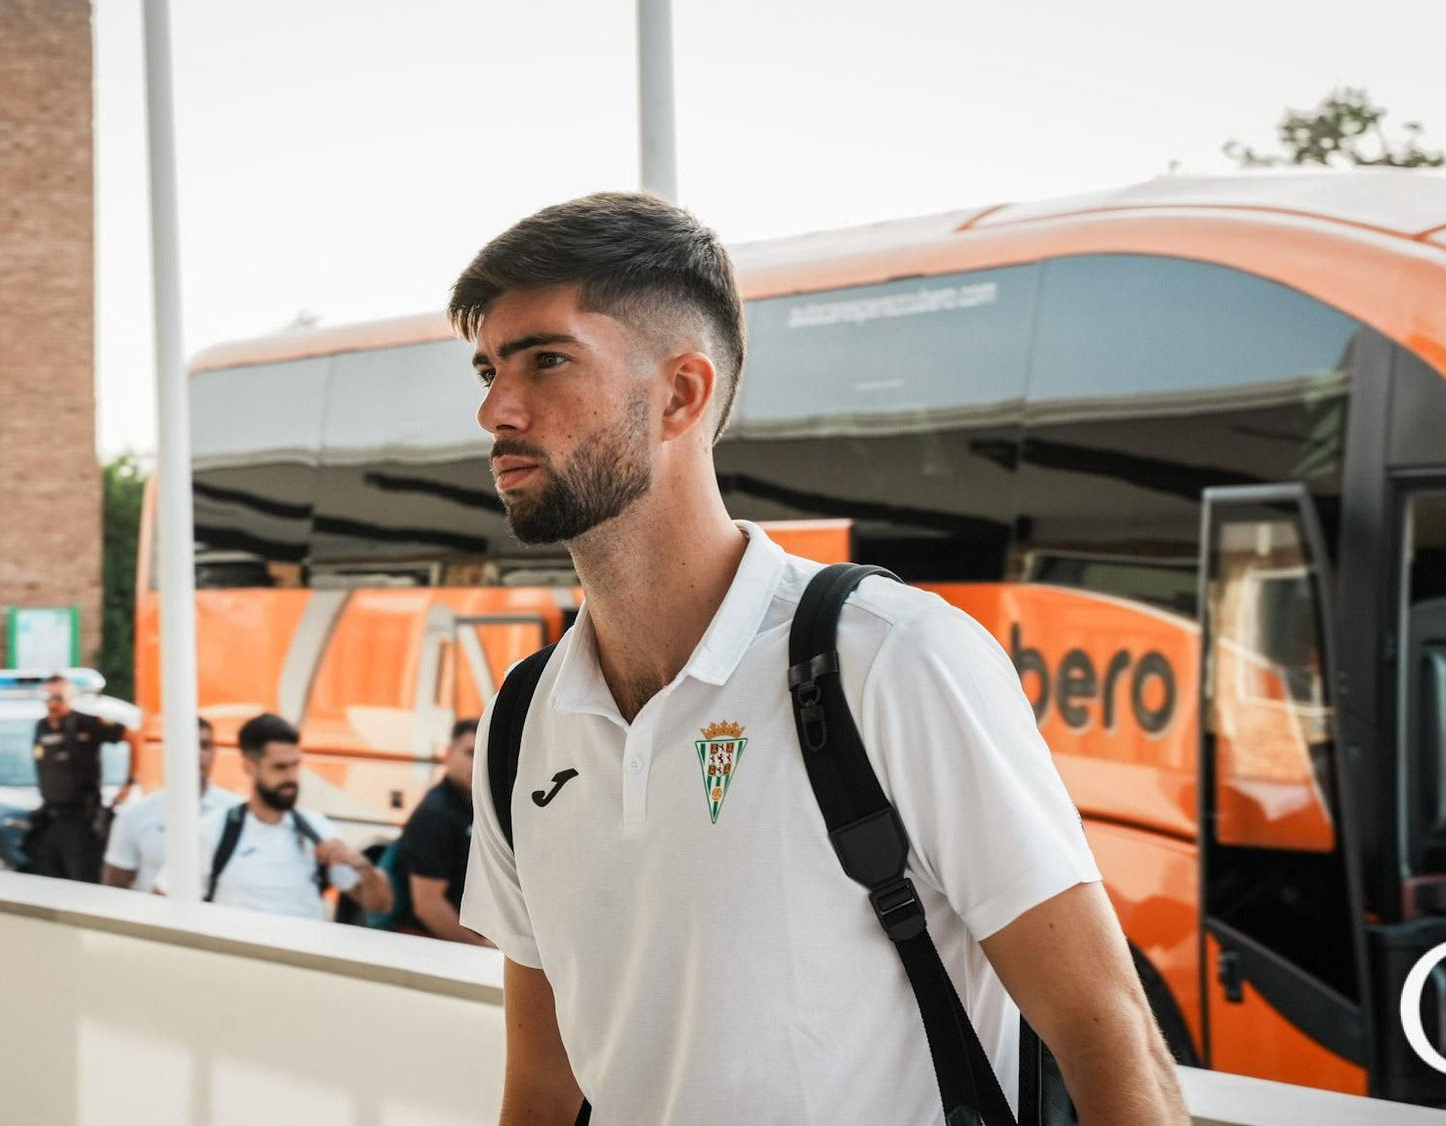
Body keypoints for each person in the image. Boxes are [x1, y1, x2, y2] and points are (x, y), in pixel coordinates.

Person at [452, 193, 1189, 1125]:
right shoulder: (524, 719)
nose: (494, 410)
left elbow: (1110, 1035)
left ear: (682, 393)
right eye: (486, 369)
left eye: (545, 360)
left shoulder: (891, 657)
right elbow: (544, 1087)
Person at [159, 713, 392, 921]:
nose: (291, 777)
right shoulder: (214, 830)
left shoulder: (317, 829)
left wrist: (362, 866)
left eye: (295, 765)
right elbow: (162, 899)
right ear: (249, 767)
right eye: (280, 767)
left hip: (301, 963)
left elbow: (381, 905)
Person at [101, 716, 241, 893]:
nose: (197, 754)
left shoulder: (235, 812)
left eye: (205, 746)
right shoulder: (135, 815)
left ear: (214, 752)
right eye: (188, 746)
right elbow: (114, 886)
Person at [27, 672, 133, 882]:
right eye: (48, 698)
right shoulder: (42, 726)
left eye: (58, 698)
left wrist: (129, 782)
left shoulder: (87, 723)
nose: (52, 704)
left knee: (82, 881)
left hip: (81, 818)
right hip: (51, 817)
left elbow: (131, 735)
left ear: (70, 698)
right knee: (48, 881)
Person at [393, 717, 489, 944]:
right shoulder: (436, 814)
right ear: (448, 754)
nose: (478, 764)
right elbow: (428, 906)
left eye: (485, 754)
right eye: (470, 753)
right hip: (429, 947)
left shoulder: (475, 805)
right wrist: (480, 947)